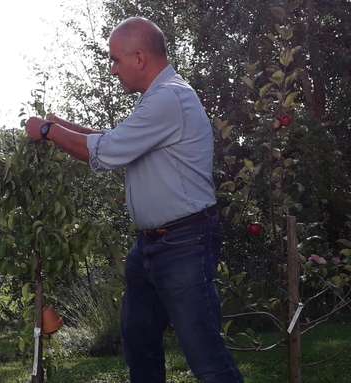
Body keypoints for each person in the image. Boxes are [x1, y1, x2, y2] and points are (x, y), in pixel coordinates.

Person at [25, 16, 243, 383]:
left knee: (205, 356)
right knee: (139, 343)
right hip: (151, 247)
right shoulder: (158, 99)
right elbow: (115, 141)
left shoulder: (169, 98)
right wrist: (66, 126)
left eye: (115, 60)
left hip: (183, 244)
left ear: (140, 58)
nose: (112, 70)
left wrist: (47, 131)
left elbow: (107, 152)